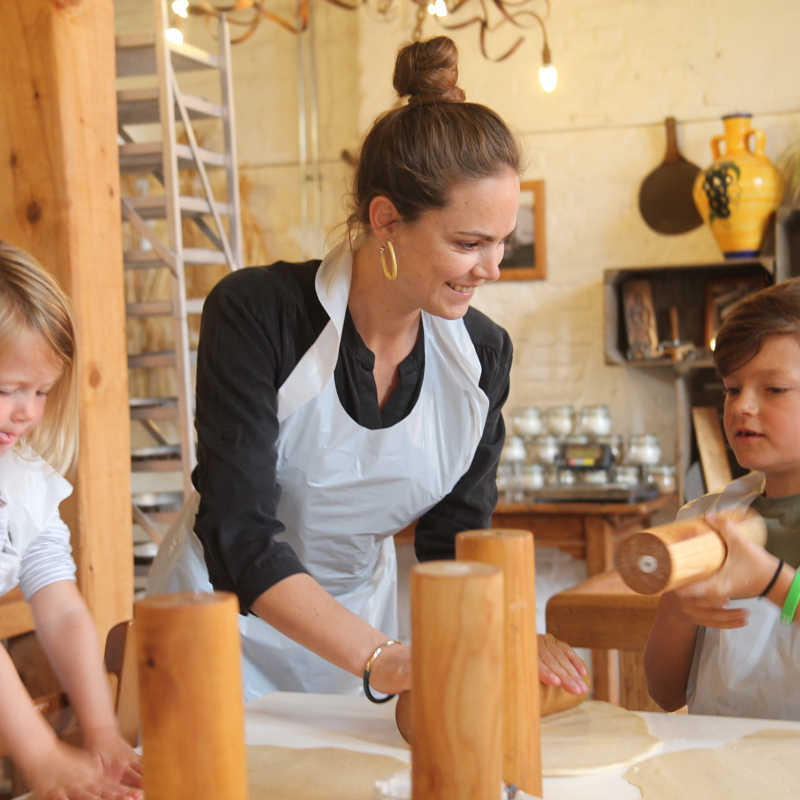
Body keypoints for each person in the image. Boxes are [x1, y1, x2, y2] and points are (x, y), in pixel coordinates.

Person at [149, 35, 588, 704]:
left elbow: (456, 541)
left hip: (361, 628)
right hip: (220, 626)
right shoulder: (258, 315)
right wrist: (381, 659)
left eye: (503, 242)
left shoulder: (482, 356)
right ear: (386, 220)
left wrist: (505, 629)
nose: (492, 269)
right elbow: (240, 535)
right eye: (468, 244)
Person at [0, 242, 142, 798]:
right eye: (7, 390)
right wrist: (41, 755)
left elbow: (59, 607)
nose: (28, 411)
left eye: (42, 391)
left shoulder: (25, 479)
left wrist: (100, 730)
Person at [644, 277, 800, 720]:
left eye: (774, 389)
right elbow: (665, 692)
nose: (742, 407)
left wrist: (773, 583)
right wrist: (676, 610)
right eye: (733, 388)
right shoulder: (705, 519)